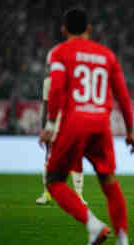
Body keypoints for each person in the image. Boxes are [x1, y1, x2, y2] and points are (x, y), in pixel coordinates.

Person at [39, 8, 134, 245]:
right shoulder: (107, 55)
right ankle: (123, 243)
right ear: (89, 30)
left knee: (54, 180)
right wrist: (130, 131)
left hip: (74, 123)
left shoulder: (60, 52)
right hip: (101, 125)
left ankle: (95, 227)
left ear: (64, 30)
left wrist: (50, 125)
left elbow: (57, 89)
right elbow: (123, 95)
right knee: (109, 181)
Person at [36, 75, 87, 205]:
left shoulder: (76, 78)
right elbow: (46, 107)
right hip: (54, 126)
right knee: (49, 159)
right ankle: (47, 193)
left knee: (76, 159)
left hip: (73, 124)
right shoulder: (48, 81)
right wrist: (44, 129)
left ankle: (78, 195)